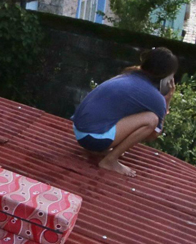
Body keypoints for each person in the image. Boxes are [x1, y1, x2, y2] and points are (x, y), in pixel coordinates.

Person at [72, 47, 177, 177]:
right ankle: (110, 161)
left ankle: (102, 148)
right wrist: (168, 99)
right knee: (152, 119)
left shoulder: (127, 75)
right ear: (166, 79)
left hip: (80, 132)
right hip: (92, 138)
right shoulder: (156, 98)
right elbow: (153, 135)